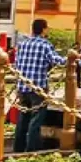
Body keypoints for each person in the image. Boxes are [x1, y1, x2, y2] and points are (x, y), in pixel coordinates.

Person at [13, 19, 67, 153]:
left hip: (22, 86)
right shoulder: (44, 45)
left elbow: (16, 63)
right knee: (36, 120)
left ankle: (18, 148)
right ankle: (32, 149)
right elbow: (57, 61)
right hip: (38, 88)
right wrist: (73, 58)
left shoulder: (22, 44)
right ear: (43, 29)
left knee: (23, 118)